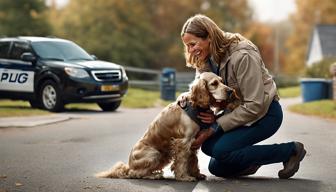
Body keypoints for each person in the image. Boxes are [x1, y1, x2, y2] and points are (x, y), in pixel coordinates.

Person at [179, 14, 306, 179]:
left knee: (220, 151)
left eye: (192, 44)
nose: (190, 51)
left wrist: (214, 127)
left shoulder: (242, 55)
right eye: (187, 46)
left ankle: (291, 151)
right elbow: (201, 89)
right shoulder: (204, 57)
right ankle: (251, 159)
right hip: (235, 113)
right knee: (216, 164)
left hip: (264, 114)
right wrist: (187, 100)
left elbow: (255, 105)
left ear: (209, 37)